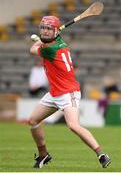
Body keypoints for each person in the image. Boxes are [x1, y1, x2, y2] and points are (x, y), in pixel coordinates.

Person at [29, 15, 111, 169]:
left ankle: (101, 154)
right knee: (33, 121)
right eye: (43, 28)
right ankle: (43, 154)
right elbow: (45, 41)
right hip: (54, 92)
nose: (44, 31)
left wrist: (40, 39)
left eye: (48, 29)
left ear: (56, 32)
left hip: (68, 93)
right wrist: (50, 36)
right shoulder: (58, 41)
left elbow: (32, 49)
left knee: (73, 125)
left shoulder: (50, 48)